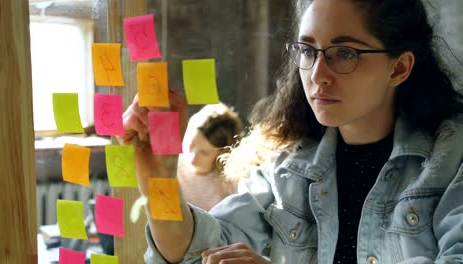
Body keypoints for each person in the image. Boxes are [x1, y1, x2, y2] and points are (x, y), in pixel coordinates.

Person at [121, 0, 463, 263]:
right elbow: (198, 253)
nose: (317, 75)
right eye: (308, 51)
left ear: (399, 68)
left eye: (344, 53)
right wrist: (159, 178)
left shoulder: (451, 163)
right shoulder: (286, 170)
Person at [177, 103, 242, 211]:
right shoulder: (173, 165)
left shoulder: (230, 184)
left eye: (204, 153)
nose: (192, 158)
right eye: (191, 145)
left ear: (222, 153)